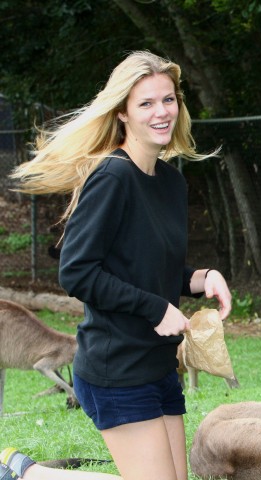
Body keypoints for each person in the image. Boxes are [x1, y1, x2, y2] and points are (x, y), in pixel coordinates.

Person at [2, 50, 232, 480]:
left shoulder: (170, 182)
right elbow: (76, 271)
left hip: (159, 365)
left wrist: (203, 279)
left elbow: (152, 271)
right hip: (116, 368)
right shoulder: (111, 176)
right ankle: (28, 474)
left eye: (168, 100)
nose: (161, 112)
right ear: (123, 112)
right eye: (145, 103)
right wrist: (155, 309)